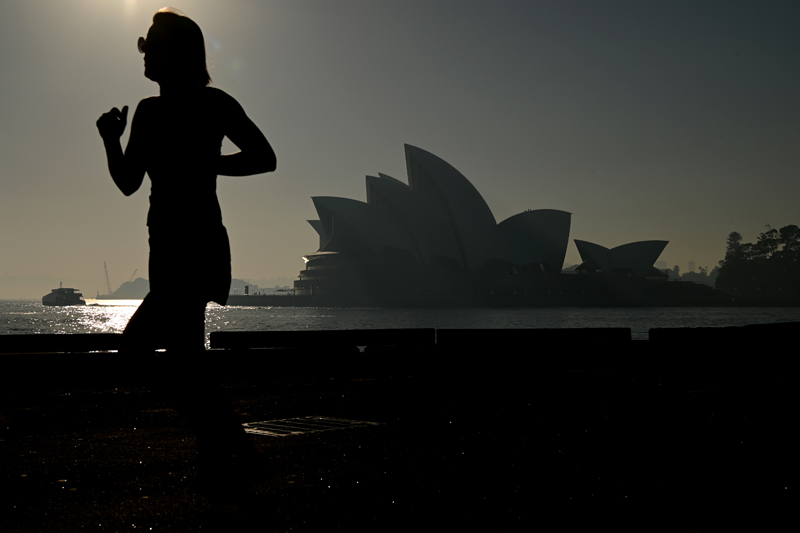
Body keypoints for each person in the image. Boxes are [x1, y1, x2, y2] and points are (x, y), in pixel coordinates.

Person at [96, 8, 276, 488]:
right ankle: (221, 458)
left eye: (154, 43)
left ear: (183, 50)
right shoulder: (148, 112)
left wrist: (208, 164)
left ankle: (230, 447)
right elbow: (130, 183)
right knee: (189, 361)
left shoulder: (213, 103)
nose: (145, 52)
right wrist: (111, 141)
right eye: (144, 43)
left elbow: (265, 158)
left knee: (136, 350)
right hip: (164, 247)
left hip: (197, 247)